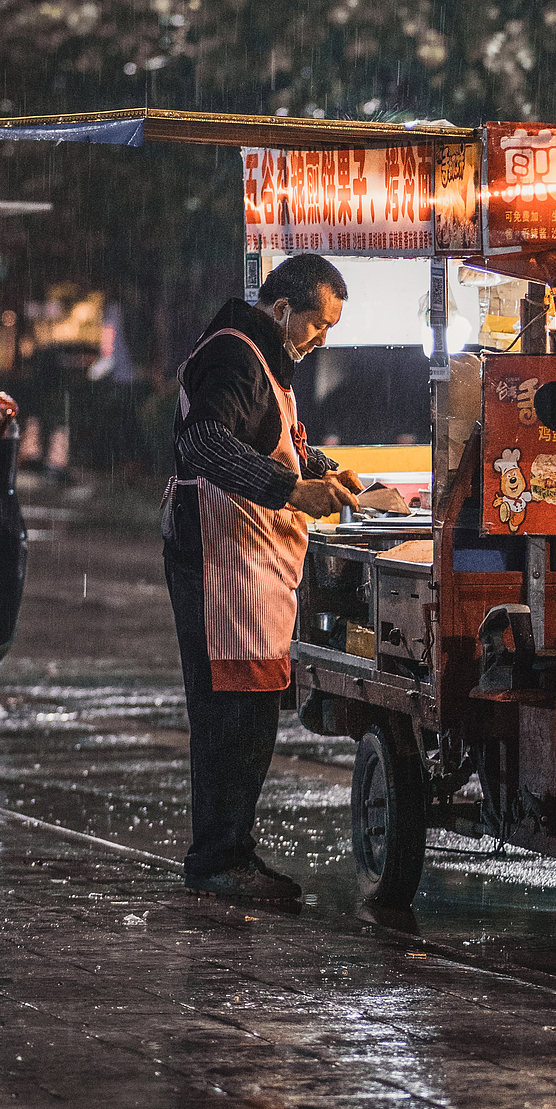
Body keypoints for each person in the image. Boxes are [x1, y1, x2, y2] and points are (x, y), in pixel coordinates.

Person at [162, 254, 364, 910]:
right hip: (216, 557)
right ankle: (217, 856)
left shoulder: (261, 357)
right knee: (227, 714)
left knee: (248, 712)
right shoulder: (237, 355)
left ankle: (232, 848)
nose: (321, 338)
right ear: (283, 308)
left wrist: (323, 470)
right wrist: (291, 487)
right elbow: (203, 443)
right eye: (318, 323)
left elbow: (266, 440)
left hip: (246, 562)